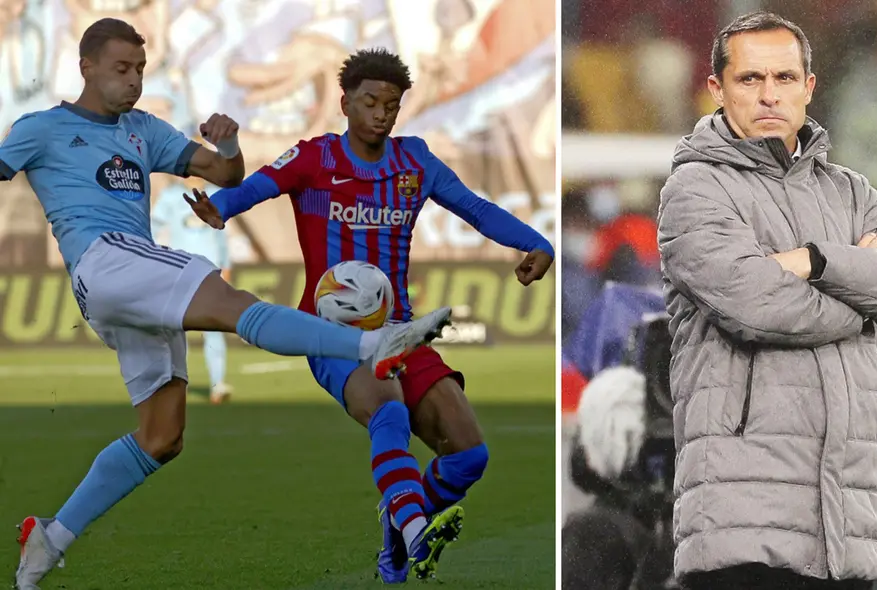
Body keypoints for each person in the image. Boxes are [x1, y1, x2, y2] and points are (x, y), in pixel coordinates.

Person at [2, 19, 452, 590]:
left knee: (163, 437)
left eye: (140, 69)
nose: (134, 81)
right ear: (86, 66)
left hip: (123, 282)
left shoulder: (144, 129)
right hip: (105, 258)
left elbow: (224, 172)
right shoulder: (41, 129)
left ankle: (51, 539)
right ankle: (373, 341)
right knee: (233, 303)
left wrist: (229, 143)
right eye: (121, 69)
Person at [185, 48, 555, 582]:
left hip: (402, 333)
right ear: (345, 103)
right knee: (389, 412)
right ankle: (412, 531)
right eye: (370, 102)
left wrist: (536, 242)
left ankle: (398, 524)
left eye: (392, 104)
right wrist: (223, 208)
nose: (381, 113)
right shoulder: (315, 159)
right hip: (329, 333)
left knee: (469, 457)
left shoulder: (415, 163)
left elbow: (475, 208)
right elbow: (261, 184)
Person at [657, 12, 877, 590]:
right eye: (750, 79)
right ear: (717, 89)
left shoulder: (851, 191)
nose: (768, 95)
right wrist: (863, 299)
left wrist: (817, 262)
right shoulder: (694, 189)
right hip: (741, 534)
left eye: (784, 78)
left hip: (849, 534)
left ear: (809, 87)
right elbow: (757, 307)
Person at [150, 175, 234, 404]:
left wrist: (226, 263)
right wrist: (154, 257)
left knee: (214, 329)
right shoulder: (170, 196)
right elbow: (153, 227)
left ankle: (218, 385)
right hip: (180, 270)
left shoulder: (215, 193)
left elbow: (222, 232)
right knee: (175, 330)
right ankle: (173, 384)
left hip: (210, 270)